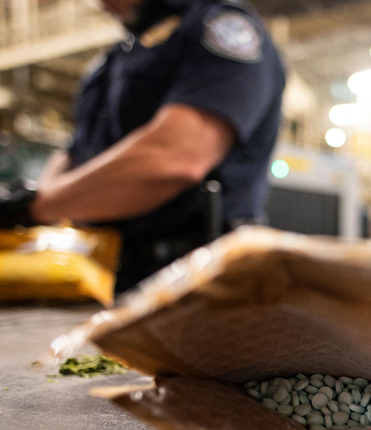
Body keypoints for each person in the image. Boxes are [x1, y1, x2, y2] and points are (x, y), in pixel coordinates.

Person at [0, 0, 286, 292]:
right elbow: (74, 153)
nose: (101, 4)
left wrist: (36, 208)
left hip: (199, 282)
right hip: (108, 275)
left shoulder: (219, 28)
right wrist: (32, 198)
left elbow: (175, 158)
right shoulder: (114, 60)